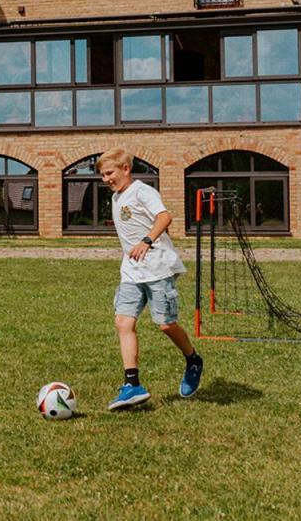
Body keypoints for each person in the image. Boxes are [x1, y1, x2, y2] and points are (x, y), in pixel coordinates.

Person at [97, 149, 204, 410]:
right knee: (123, 322)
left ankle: (193, 360)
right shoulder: (116, 196)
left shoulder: (143, 191)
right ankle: (131, 384)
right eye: (102, 175)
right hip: (131, 271)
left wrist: (146, 240)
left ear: (125, 168)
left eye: (109, 173)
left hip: (157, 269)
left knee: (166, 325)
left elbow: (165, 217)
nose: (106, 179)